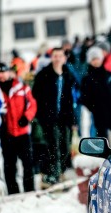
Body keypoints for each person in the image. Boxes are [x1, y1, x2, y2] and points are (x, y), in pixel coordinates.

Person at [32, 47, 78, 187]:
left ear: (64, 58)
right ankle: (53, 174)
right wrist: (40, 115)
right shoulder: (43, 74)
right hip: (48, 117)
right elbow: (36, 95)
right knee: (52, 146)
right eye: (55, 56)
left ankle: (61, 171)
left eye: (60, 56)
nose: (57, 59)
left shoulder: (67, 74)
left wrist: (72, 119)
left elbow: (70, 99)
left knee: (65, 145)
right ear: (52, 58)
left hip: (64, 116)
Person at [0, 63, 37, 194]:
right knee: (9, 165)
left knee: (28, 164)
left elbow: (32, 104)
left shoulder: (21, 87)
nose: (1, 75)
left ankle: (30, 191)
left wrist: (27, 117)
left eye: (3, 72)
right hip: (7, 134)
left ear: (9, 73)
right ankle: (13, 192)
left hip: (23, 133)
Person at [80, 46, 111, 140]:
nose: (96, 61)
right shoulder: (87, 79)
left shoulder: (109, 75)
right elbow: (84, 97)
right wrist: (93, 107)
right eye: (93, 59)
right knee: (101, 139)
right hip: (97, 115)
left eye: (97, 58)